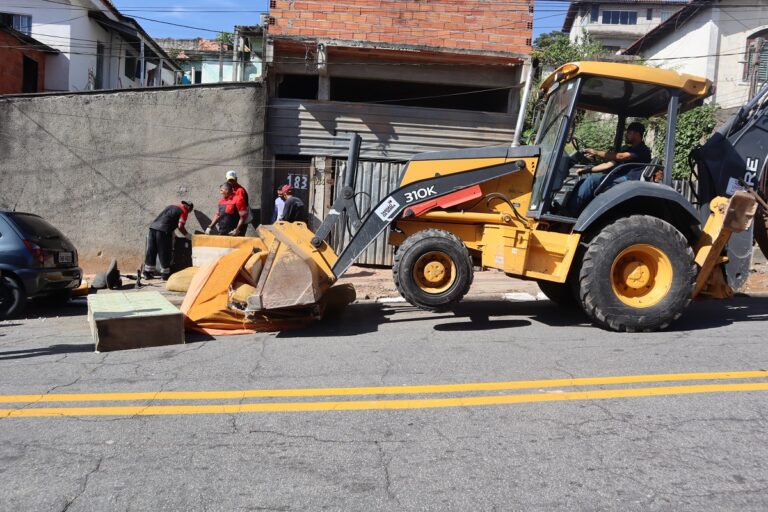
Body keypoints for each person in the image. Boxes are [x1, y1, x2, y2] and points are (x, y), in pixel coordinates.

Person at [567, 121, 652, 215]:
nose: (626, 135)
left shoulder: (642, 150)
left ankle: (569, 213)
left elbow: (620, 156)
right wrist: (586, 170)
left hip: (629, 180)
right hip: (620, 176)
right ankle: (572, 209)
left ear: (636, 134)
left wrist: (596, 152)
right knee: (584, 179)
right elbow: (609, 164)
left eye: (628, 132)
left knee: (591, 180)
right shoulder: (629, 149)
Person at [144, 201, 194, 280]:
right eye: (190, 211)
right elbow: (180, 226)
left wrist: (172, 233)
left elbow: (166, 220)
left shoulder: (171, 206)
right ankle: (165, 274)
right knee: (164, 251)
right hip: (163, 232)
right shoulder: (184, 211)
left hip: (153, 228)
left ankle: (147, 273)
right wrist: (188, 236)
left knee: (151, 250)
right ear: (189, 208)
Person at [225, 170, 252, 234]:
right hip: (233, 220)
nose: (231, 182)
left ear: (236, 179)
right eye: (229, 180)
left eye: (232, 180)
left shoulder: (240, 191)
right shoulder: (229, 190)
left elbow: (242, 212)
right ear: (226, 180)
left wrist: (237, 229)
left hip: (238, 221)